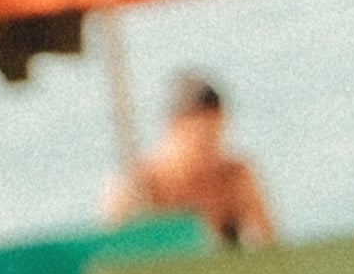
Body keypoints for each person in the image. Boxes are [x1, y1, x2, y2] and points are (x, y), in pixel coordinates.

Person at [115, 72, 277, 246]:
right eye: (202, 137)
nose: (211, 148)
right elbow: (113, 252)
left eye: (217, 135)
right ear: (174, 128)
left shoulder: (233, 177)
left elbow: (273, 248)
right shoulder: (140, 184)